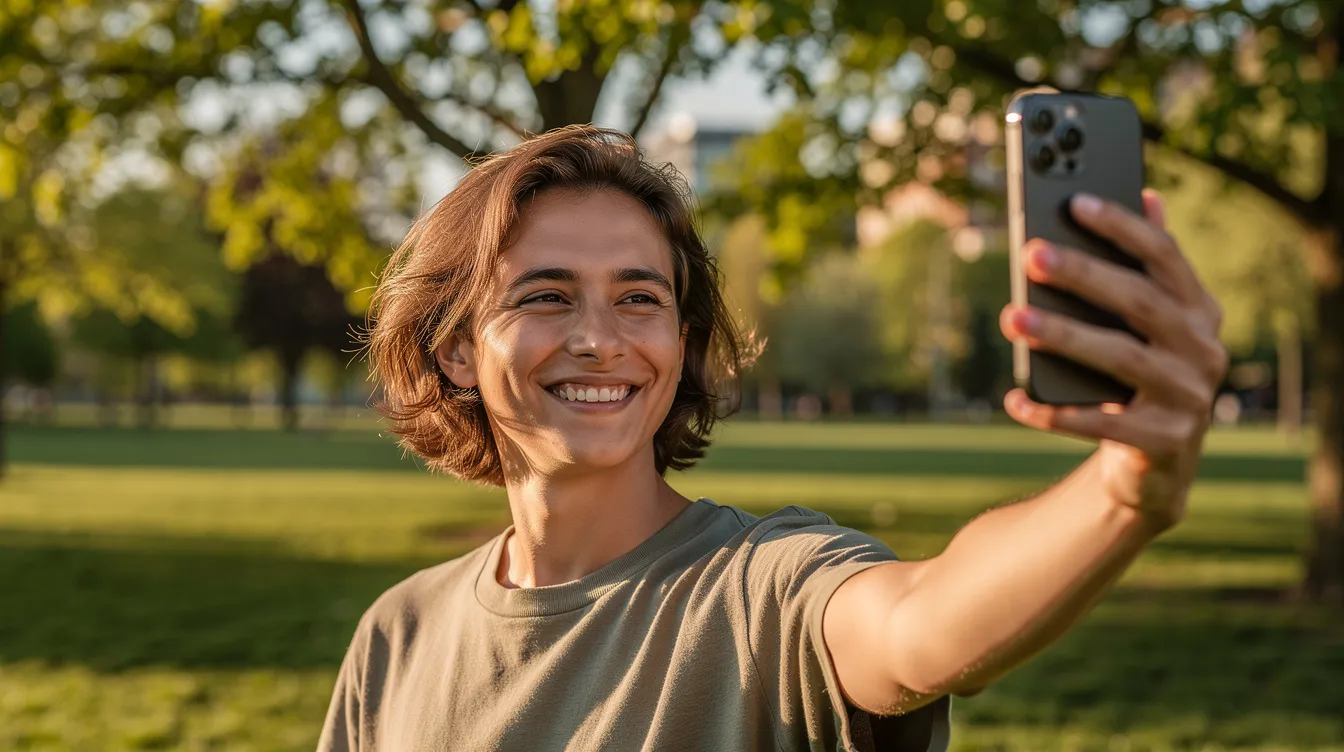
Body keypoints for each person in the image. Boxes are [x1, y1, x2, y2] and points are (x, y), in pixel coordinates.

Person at [318, 125, 1227, 752]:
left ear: (681, 344)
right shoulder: (397, 635)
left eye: (641, 298)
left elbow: (920, 623)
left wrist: (1123, 490)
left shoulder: (765, 592)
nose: (600, 337)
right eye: (545, 295)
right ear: (456, 352)